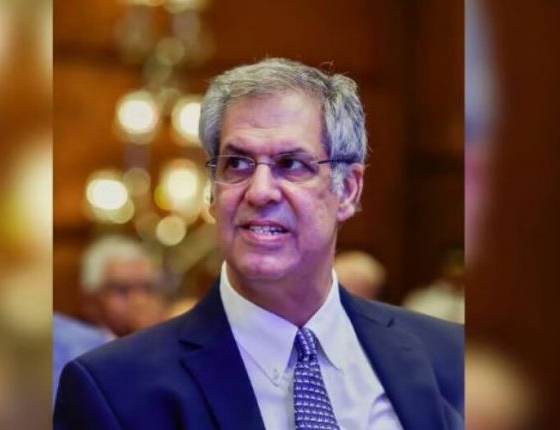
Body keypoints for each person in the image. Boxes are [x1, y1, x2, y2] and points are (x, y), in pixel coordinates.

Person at [54, 58, 463, 429]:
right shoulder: (115, 391)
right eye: (237, 164)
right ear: (212, 192)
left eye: (291, 164)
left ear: (349, 190)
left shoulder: (450, 357)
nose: (260, 191)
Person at [53, 235, 165, 403]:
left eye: (148, 288)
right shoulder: (65, 348)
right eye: (123, 289)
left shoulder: (168, 342)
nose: (140, 301)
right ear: (90, 299)